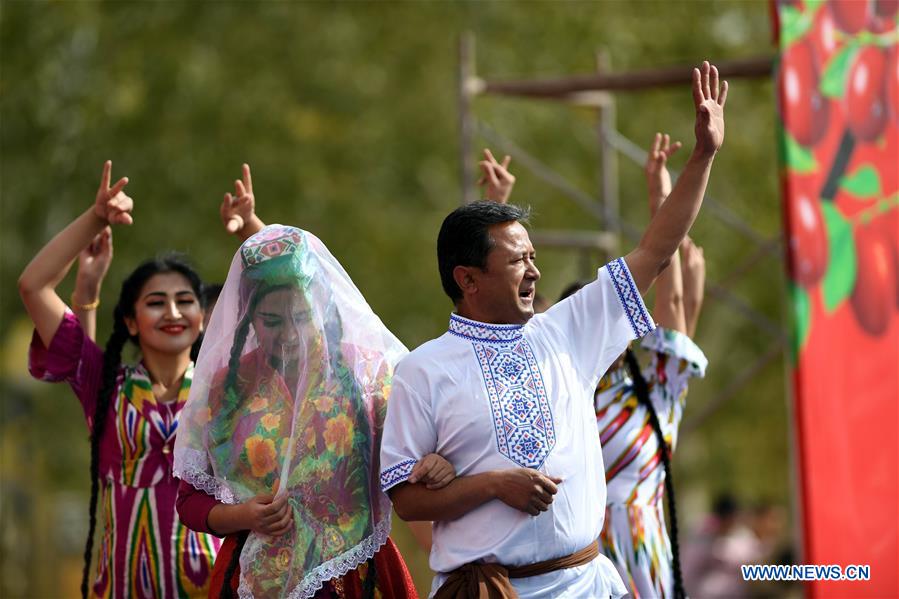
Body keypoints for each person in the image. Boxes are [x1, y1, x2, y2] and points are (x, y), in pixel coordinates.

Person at [379, 61, 727, 598]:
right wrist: (492, 486)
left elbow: (655, 251)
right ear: (467, 279)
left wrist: (703, 156)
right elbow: (407, 501)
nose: (535, 272)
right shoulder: (422, 370)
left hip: (586, 584)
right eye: (518, 261)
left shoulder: (566, 332)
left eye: (534, 257)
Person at [174, 215, 452, 597]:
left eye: (302, 318)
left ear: (322, 306)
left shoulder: (367, 375)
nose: (289, 335)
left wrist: (434, 463)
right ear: (248, 316)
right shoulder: (227, 390)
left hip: (355, 571)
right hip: (255, 576)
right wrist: (242, 515)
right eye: (272, 321)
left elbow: (413, 459)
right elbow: (189, 500)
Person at [18, 161, 220, 598]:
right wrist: (95, 217)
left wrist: (252, 229)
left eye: (185, 301)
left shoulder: (225, 390)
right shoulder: (107, 386)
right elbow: (34, 286)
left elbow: (291, 306)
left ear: (203, 318)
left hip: (214, 588)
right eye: (156, 302)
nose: (172, 312)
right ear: (131, 321)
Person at [594, 133, 708, 599]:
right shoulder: (568, 395)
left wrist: (661, 196)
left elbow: (675, 305)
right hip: (581, 557)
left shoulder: (657, 390)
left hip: (643, 557)